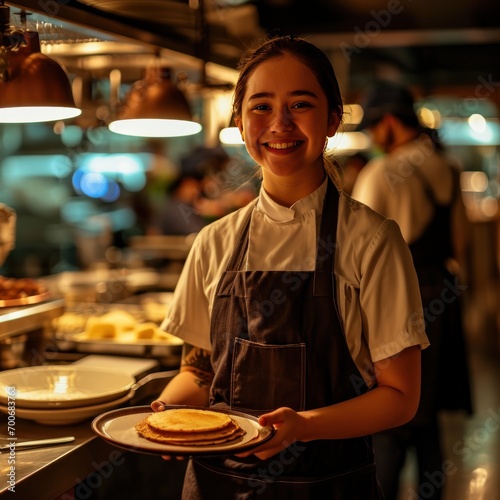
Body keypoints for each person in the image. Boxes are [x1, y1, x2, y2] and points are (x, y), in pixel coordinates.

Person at [152, 36, 429, 499]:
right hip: (216, 484)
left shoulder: (373, 241)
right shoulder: (213, 241)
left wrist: (304, 426)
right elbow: (199, 373)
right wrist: (166, 411)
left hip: (328, 485)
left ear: (332, 120)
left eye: (300, 104)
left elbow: (401, 397)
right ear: (240, 124)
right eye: (261, 107)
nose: (279, 124)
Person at [351, 80, 473, 500]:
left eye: (371, 128)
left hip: (400, 299)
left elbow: (357, 250)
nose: (370, 138)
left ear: (387, 123)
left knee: (393, 413)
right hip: (442, 291)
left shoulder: (382, 171)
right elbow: (460, 242)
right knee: (429, 414)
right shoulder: (448, 167)